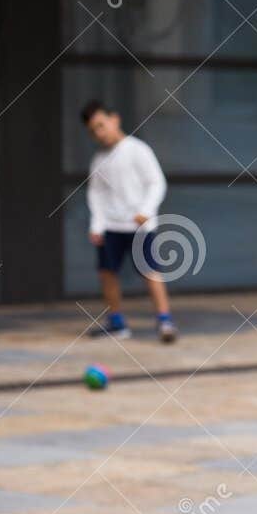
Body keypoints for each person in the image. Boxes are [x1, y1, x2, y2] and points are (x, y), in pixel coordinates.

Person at [81, 100, 177, 343]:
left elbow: (156, 182)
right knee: (107, 273)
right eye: (93, 130)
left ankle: (165, 320)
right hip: (112, 227)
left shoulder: (138, 150)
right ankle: (116, 324)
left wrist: (146, 209)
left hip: (139, 227)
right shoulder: (98, 161)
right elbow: (96, 194)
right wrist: (97, 225)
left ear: (115, 119)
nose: (99, 133)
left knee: (151, 272)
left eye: (101, 125)